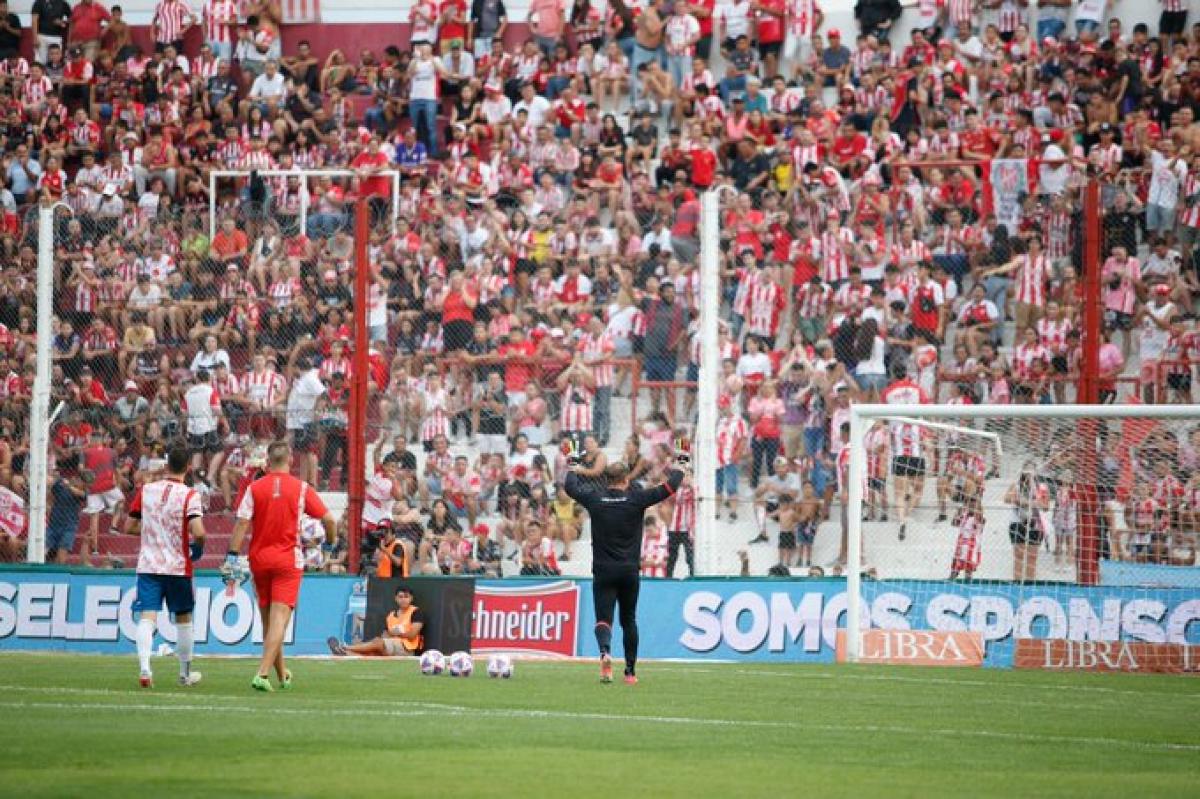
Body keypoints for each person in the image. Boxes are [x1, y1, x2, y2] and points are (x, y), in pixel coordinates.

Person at [564, 455, 684, 685]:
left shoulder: (595, 498)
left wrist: (572, 464)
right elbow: (669, 487)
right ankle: (629, 672)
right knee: (628, 620)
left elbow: (570, 487)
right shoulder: (636, 498)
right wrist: (681, 463)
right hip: (629, 571)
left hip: (603, 570)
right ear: (626, 479)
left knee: (603, 619)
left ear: (606, 480)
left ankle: (605, 652)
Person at [228, 440, 337, 692]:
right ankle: (262, 674)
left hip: (259, 559)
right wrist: (329, 545)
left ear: (267, 462)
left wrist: (232, 556)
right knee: (279, 621)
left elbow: (242, 524)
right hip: (288, 559)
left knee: (269, 622)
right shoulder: (301, 488)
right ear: (290, 460)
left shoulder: (254, 488)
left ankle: (282, 675)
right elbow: (329, 520)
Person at [124, 446, 207, 688]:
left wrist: (152, 530)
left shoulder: (146, 490)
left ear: (166, 465)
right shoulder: (190, 495)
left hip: (149, 565)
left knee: (147, 617)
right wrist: (198, 547)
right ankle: (184, 674)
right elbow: (199, 531)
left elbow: (129, 526)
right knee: (183, 618)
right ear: (188, 467)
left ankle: (145, 669)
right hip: (178, 566)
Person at [328, 585, 424, 656]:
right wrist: (389, 635)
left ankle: (345, 647)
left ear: (411, 598)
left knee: (377, 642)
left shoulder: (416, 612)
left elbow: (412, 635)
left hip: (406, 648)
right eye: (401, 597)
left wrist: (396, 633)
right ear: (396, 598)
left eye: (406, 597)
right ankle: (344, 653)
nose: (403, 599)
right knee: (371, 652)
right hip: (390, 645)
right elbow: (385, 635)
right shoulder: (391, 615)